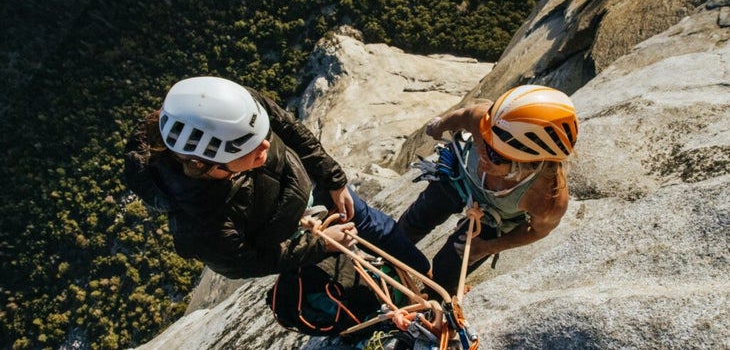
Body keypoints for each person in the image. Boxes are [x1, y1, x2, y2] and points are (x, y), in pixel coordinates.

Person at [124, 76, 430, 279]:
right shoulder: (202, 225)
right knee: (349, 283)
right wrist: (319, 247)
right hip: (292, 237)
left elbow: (288, 127)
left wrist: (333, 179)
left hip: (313, 186)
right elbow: (246, 262)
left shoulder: (232, 108)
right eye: (249, 147)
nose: (267, 146)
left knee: (380, 228)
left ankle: (428, 281)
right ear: (208, 165)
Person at [397, 85, 578, 294]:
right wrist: (439, 126)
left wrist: (488, 247)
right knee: (415, 222)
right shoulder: (489, 121)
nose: (482, 150)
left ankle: (438, 293)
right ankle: (387, 256)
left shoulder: (547, 201)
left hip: (494, 215)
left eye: (494, 155)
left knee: (448, 270)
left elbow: (537, 231)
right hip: (460, 176)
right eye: (485, 137)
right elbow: (466, 115)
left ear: (527, 165)